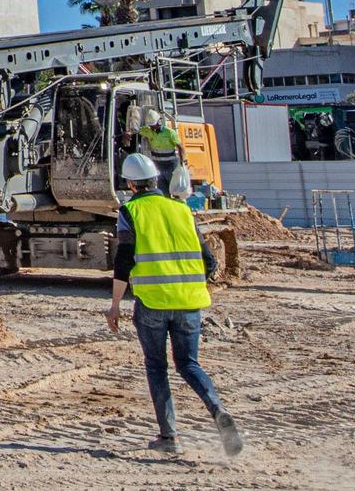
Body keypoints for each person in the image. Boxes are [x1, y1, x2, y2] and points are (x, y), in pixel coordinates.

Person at [106, 152, 243, 457]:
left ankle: (169, 437)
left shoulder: (130, 211)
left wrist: (115, 305)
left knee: (157, 367)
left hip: (153, 304)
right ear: (156, 179)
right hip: (190, 303)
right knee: (189, 364)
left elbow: (124, 259)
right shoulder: (183, 210)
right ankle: (217, 408)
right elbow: (209, 260)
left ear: (131, 183)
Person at [137, 107, 184, 192]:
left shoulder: (169, 133)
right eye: (151, 126)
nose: (152, 127)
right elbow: (137, 130)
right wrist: (129, 132)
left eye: (153, 125)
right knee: (163, 190)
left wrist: (182, 162)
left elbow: (180, 147)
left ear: (159, 121)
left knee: (176, 190)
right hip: (158, 165)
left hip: (171, 165)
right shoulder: (148, 131)